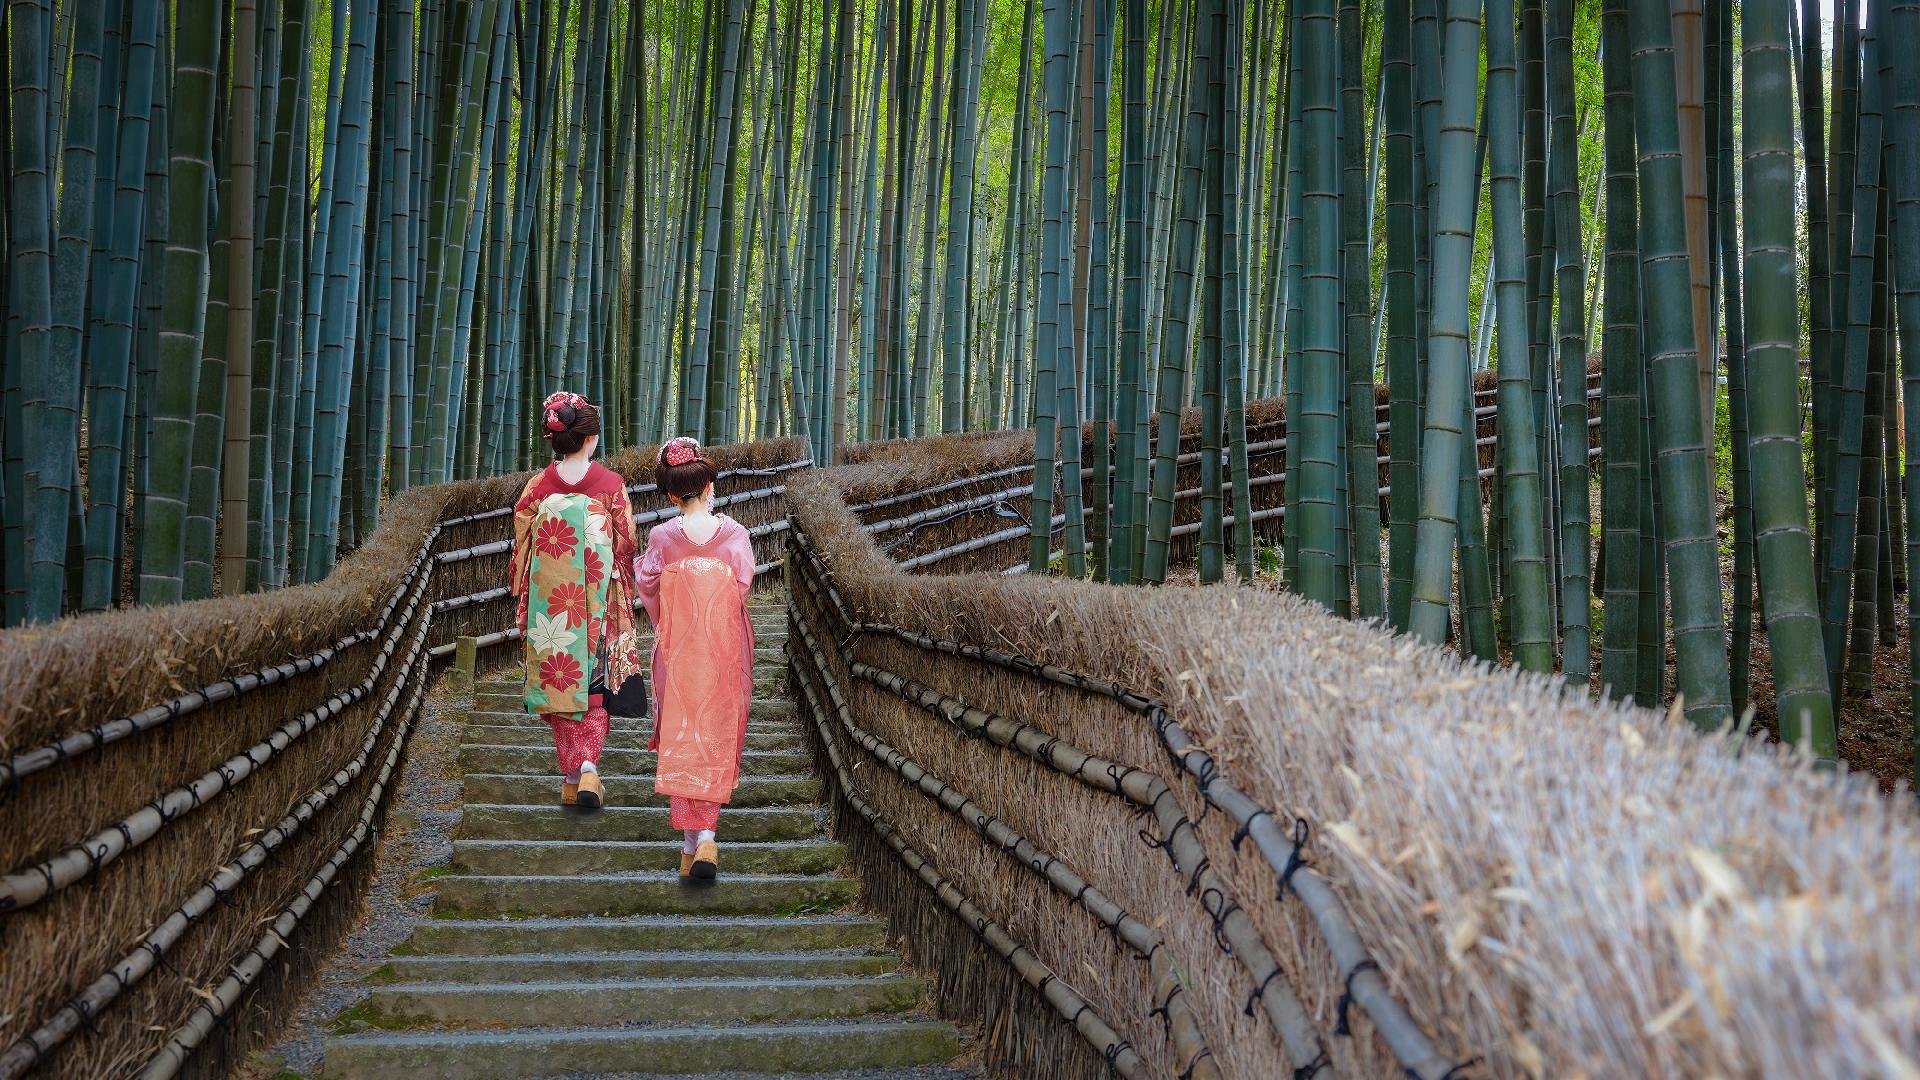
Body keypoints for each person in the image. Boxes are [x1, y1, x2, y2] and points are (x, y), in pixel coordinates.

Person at [509, 392, 643, 809]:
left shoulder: (537, 488)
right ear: (590, 439)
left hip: (550, 604)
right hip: (597, 601)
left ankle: (572, 775)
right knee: (594, 684)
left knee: (559, 681)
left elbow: (522, 544)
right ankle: (586, 769)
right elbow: (626, 543)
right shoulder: (611, 485)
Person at [635, 437, 757, 880]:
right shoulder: (735, 535)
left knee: (682, 733)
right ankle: (702, 838)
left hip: (678, 653)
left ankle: (695, 843)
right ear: (709, 486)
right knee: (716, 732)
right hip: (723, 652)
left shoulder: (661, 538)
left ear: (670, 495)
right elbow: (740, 589)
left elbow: (648, 588)